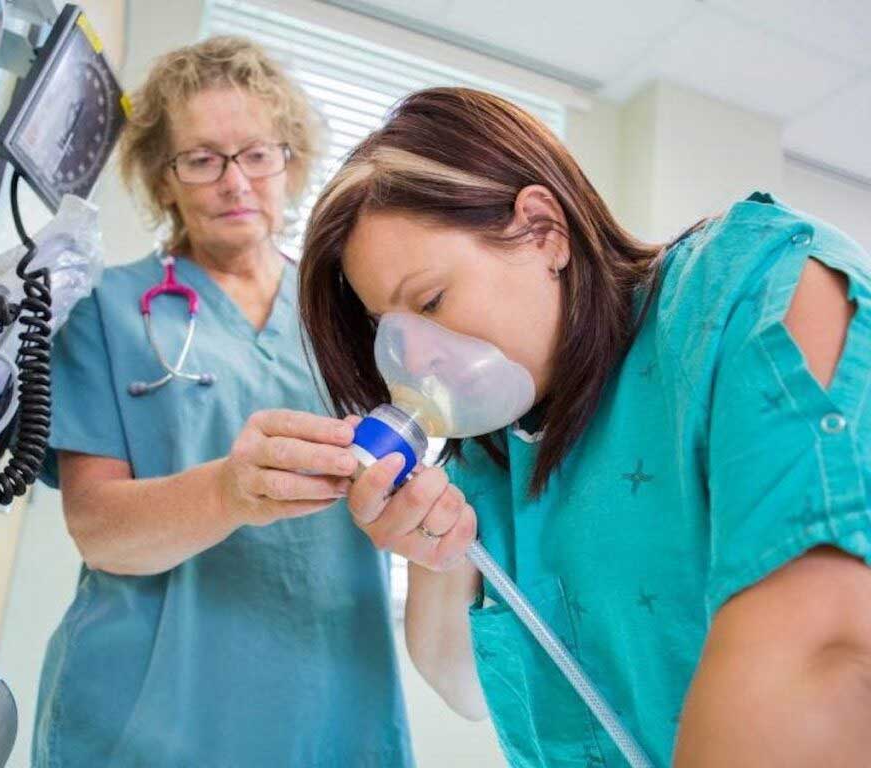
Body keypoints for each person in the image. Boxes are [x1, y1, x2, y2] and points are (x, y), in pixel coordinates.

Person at [297, 87, 871, 767]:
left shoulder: (753, 291)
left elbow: (824, 654)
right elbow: (465, 687)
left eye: (431, 300)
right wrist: (439, 557)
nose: (414, 358)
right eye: (388, 329)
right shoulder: (493, 456)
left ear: (543, 231)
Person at [32, 37, 413, 767]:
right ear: (163, 178)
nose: (235, 181)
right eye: (202, 159)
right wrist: (229, 492)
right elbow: (98, 528)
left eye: (257, 154)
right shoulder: (107, 310)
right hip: (150, 712)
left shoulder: (357, 315)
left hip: (330, 699)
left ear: (291, 162)